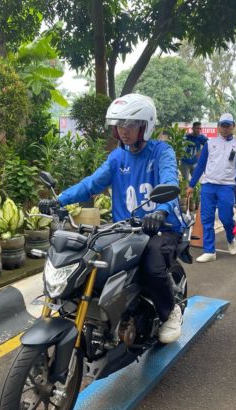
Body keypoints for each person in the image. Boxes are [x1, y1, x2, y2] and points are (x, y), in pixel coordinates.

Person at [39, 93, 185, 344]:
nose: (123, 131)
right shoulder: (117, 157)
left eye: (130, 124)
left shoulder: (162, 152)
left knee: (152, 265)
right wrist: (59, 200)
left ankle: (170, 312)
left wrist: (161, 211)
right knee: (92, 256)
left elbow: (170, 180)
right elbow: (91, 184)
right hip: (125, 229)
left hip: (162, 227)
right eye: (119, 125)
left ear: (145, 126)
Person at [186, 113, 236, 262]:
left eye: (228, 125)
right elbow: (201, 165)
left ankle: (231, 238)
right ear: (218, 127)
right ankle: (210, 251)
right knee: (207, 218)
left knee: (226, 218)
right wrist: (191, 184)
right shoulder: (210, 144)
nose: (225, 128)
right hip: (208, 185)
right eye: (223, 125)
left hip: (226, 187)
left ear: (233, 126)